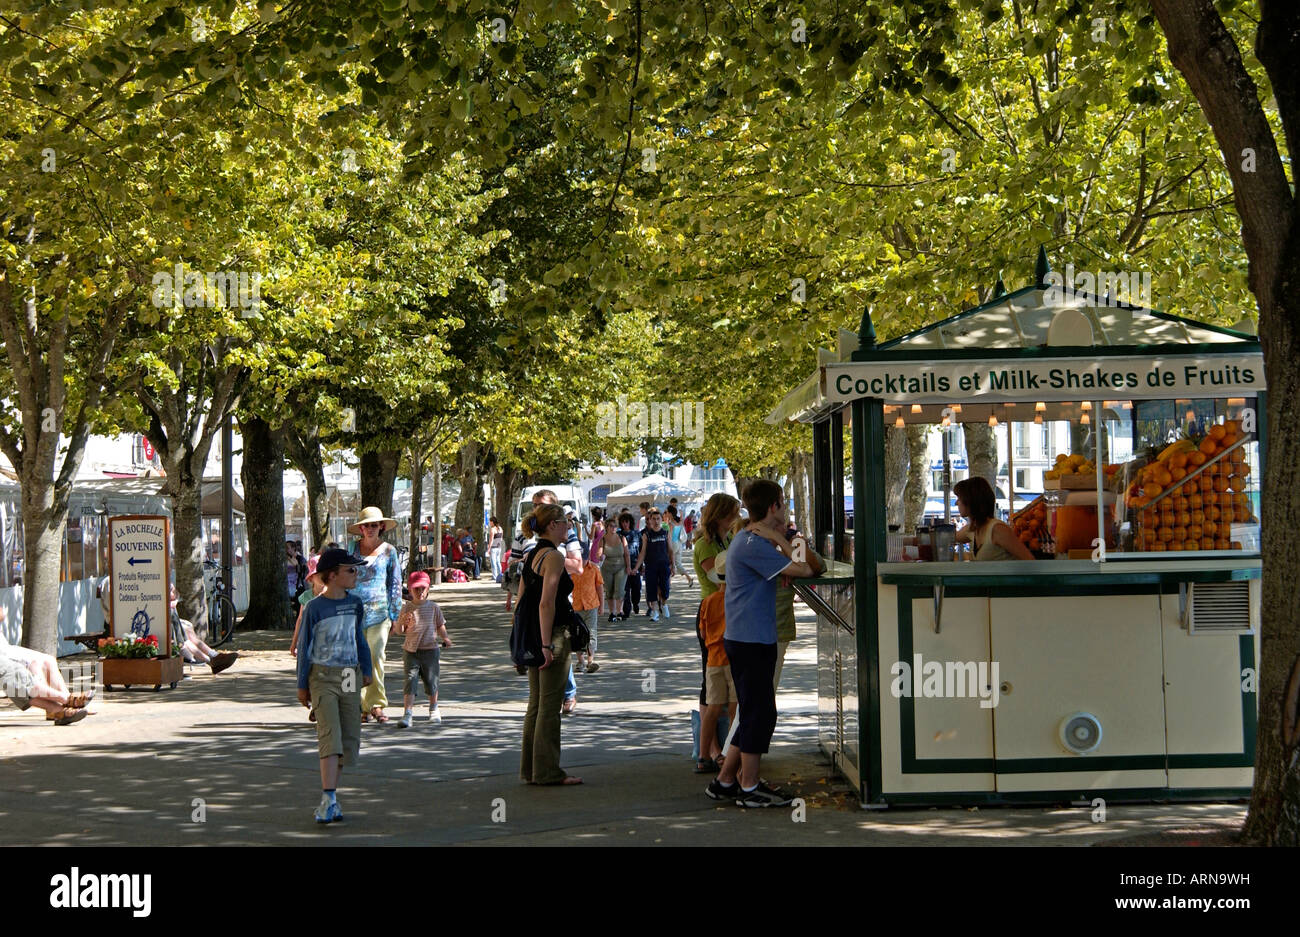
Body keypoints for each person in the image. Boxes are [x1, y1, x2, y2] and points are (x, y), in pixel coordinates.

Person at [707, 480, 817, 808]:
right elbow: (808, 569)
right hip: (752, 639)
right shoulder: (756, 543)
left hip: (747, 636)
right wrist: (778, 538)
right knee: (760, 714)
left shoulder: (747, 540)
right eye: (783, 503)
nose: (785, 510)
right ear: (773, 507)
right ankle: (750, 786)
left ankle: (726, 780)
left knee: (754, 711)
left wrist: (777, 541)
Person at [295, 547, 372, 823]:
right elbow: (305, 647)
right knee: (330, 735)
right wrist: (302, 684)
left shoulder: (355, 604)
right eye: (350, 570)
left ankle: (333, 797)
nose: (355, 574)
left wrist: (367, 668)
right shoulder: (315, 607)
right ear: (332, 575)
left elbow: (359, 637)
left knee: (348, 737)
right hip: (322, 676)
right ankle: (327, 798)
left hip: (350, 674)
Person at [514, 503, 582, 785]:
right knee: (549, 704)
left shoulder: (532, 555)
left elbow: (520, 602)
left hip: (534, 633)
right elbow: (545, 603)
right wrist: (545, 645)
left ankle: (531, 770)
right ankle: (547, 771)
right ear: (553, 525)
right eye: (566, 522)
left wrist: (520, 641)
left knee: (536, 703)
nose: (569, 526)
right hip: (550, 634)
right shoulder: (553, 556)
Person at [691, 493, 740, 767]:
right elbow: (720, 576)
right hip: (712, 613)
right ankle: (708, 749)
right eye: (733, 511)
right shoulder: (705, 545)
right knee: (709, 683)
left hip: (729, 610)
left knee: (723, 682)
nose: (737, 516)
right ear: (721, 514)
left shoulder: (730, 539)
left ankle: (720, 748)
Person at [347, 506, 402, 723]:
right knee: (351, 659)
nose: (370, 529)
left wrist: (395, 615)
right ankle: (354, 704)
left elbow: (395, 584)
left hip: (380, 613)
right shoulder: (351, 549)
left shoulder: (389, 551)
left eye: (374, 525)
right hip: (351, 614)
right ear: (360, 528)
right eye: (366, 525)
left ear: (381, 526)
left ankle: (376, 703)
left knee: (376, 655)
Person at [0, 608, 93, 724]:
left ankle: (65, 705)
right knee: (20, 674)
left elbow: (1, 615)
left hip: (4, 648)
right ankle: (64, 702)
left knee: (48, 661)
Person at [394, 570, 452, 728]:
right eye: (416, 589)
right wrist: (401, 623)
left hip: (430, 650)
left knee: (431, 680)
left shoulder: (433, 607)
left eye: (423, 589)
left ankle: (434, 708)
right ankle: (408, 713)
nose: (420, 592)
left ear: (428, 589)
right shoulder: (406, 608)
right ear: (410, 589)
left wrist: (445, 638)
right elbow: (399, 631)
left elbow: (440, 625)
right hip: (411, 651)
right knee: (410, 681)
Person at [773, 523, 822, 690]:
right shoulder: (782, 562)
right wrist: (799, 548)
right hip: (775, 632)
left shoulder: (748, 551)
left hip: (751, 633)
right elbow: (819, 566)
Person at [696, 587, 736, 773]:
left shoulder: (708, 601)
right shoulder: (736, 600)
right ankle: (730, 754)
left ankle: (703, 757)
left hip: (713, 660)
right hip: (733, 659)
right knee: (734, 710)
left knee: (712, 708)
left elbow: (703, 634)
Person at [954, 477, 1036, 561]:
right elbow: (949, 537)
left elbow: (1030, 561)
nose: (956, 503)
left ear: (970, 501)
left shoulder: (997, 530)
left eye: (959, 498)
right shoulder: (973, 529)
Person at [571, 545, 603, 674]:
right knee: (578, 634)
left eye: (584, 559)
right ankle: (580, 661)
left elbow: (599, 587)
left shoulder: (594, 569)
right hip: (576, 606)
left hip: (591, 605)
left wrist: (601, 605)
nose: (582, 562)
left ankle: (591, 661)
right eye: (579, 558)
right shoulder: (571, 570)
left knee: (591, 632)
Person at [636, 507, 672, 622]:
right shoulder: (646, 535)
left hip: (664, 564)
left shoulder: (665, 533)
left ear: (662, 520)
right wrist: (637, 567)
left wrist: (673, 565)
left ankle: (664, 604)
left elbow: (670, 550)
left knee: (664, 587)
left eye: (658, 519)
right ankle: (655, 611)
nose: (656, 521)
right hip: (651, 565)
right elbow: (642, 552)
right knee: (651, 589)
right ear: (649, 521)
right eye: (653, 519)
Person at [599, 515, 629, 623]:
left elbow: (626, 554)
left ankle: (620, 611)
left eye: (615, 526)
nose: (613, 528)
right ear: (606, 527)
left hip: (621, 567)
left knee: (620, 591)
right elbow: (599, 552)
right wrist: (601, 555)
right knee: (609, 591)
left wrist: (629, 567)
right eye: (611, 526)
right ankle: (612, 613)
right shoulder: (602, 539)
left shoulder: (622, 538)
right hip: (607, 568)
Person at [619, 512, 643, 620]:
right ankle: (626, 611)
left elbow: (642, 550)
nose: (625, 524)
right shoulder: (619, 535)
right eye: (623, 522)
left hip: (635, 565)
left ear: (630, 522)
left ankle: (636, 603)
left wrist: (641, 565)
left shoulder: (637, 534)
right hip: (623, 567)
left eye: (627, 522)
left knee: (636, 588)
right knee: (625, 590)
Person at [666, 504, 695, 587]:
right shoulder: (679, 522)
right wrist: (681, 514)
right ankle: (688, 578)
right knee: (678, 563)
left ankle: (668, 582)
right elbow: (681, 519)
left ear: (670, 513)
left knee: (669, 562)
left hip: (673, 544)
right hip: (679, 544)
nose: (666, 513)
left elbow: (670, 536)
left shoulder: (671, 524)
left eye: (667, 512)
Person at [488, 517, 505, 583]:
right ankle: (500, 575)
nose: (489, 523)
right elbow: (501, 539)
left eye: (490, 522)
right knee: (498, 562)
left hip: (494, 547)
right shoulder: (500, 528)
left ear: (492, 522)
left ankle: (494, 576)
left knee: (493, 562)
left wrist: (489, 548)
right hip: (499, 547)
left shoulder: (492, 529)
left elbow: (491, 540)